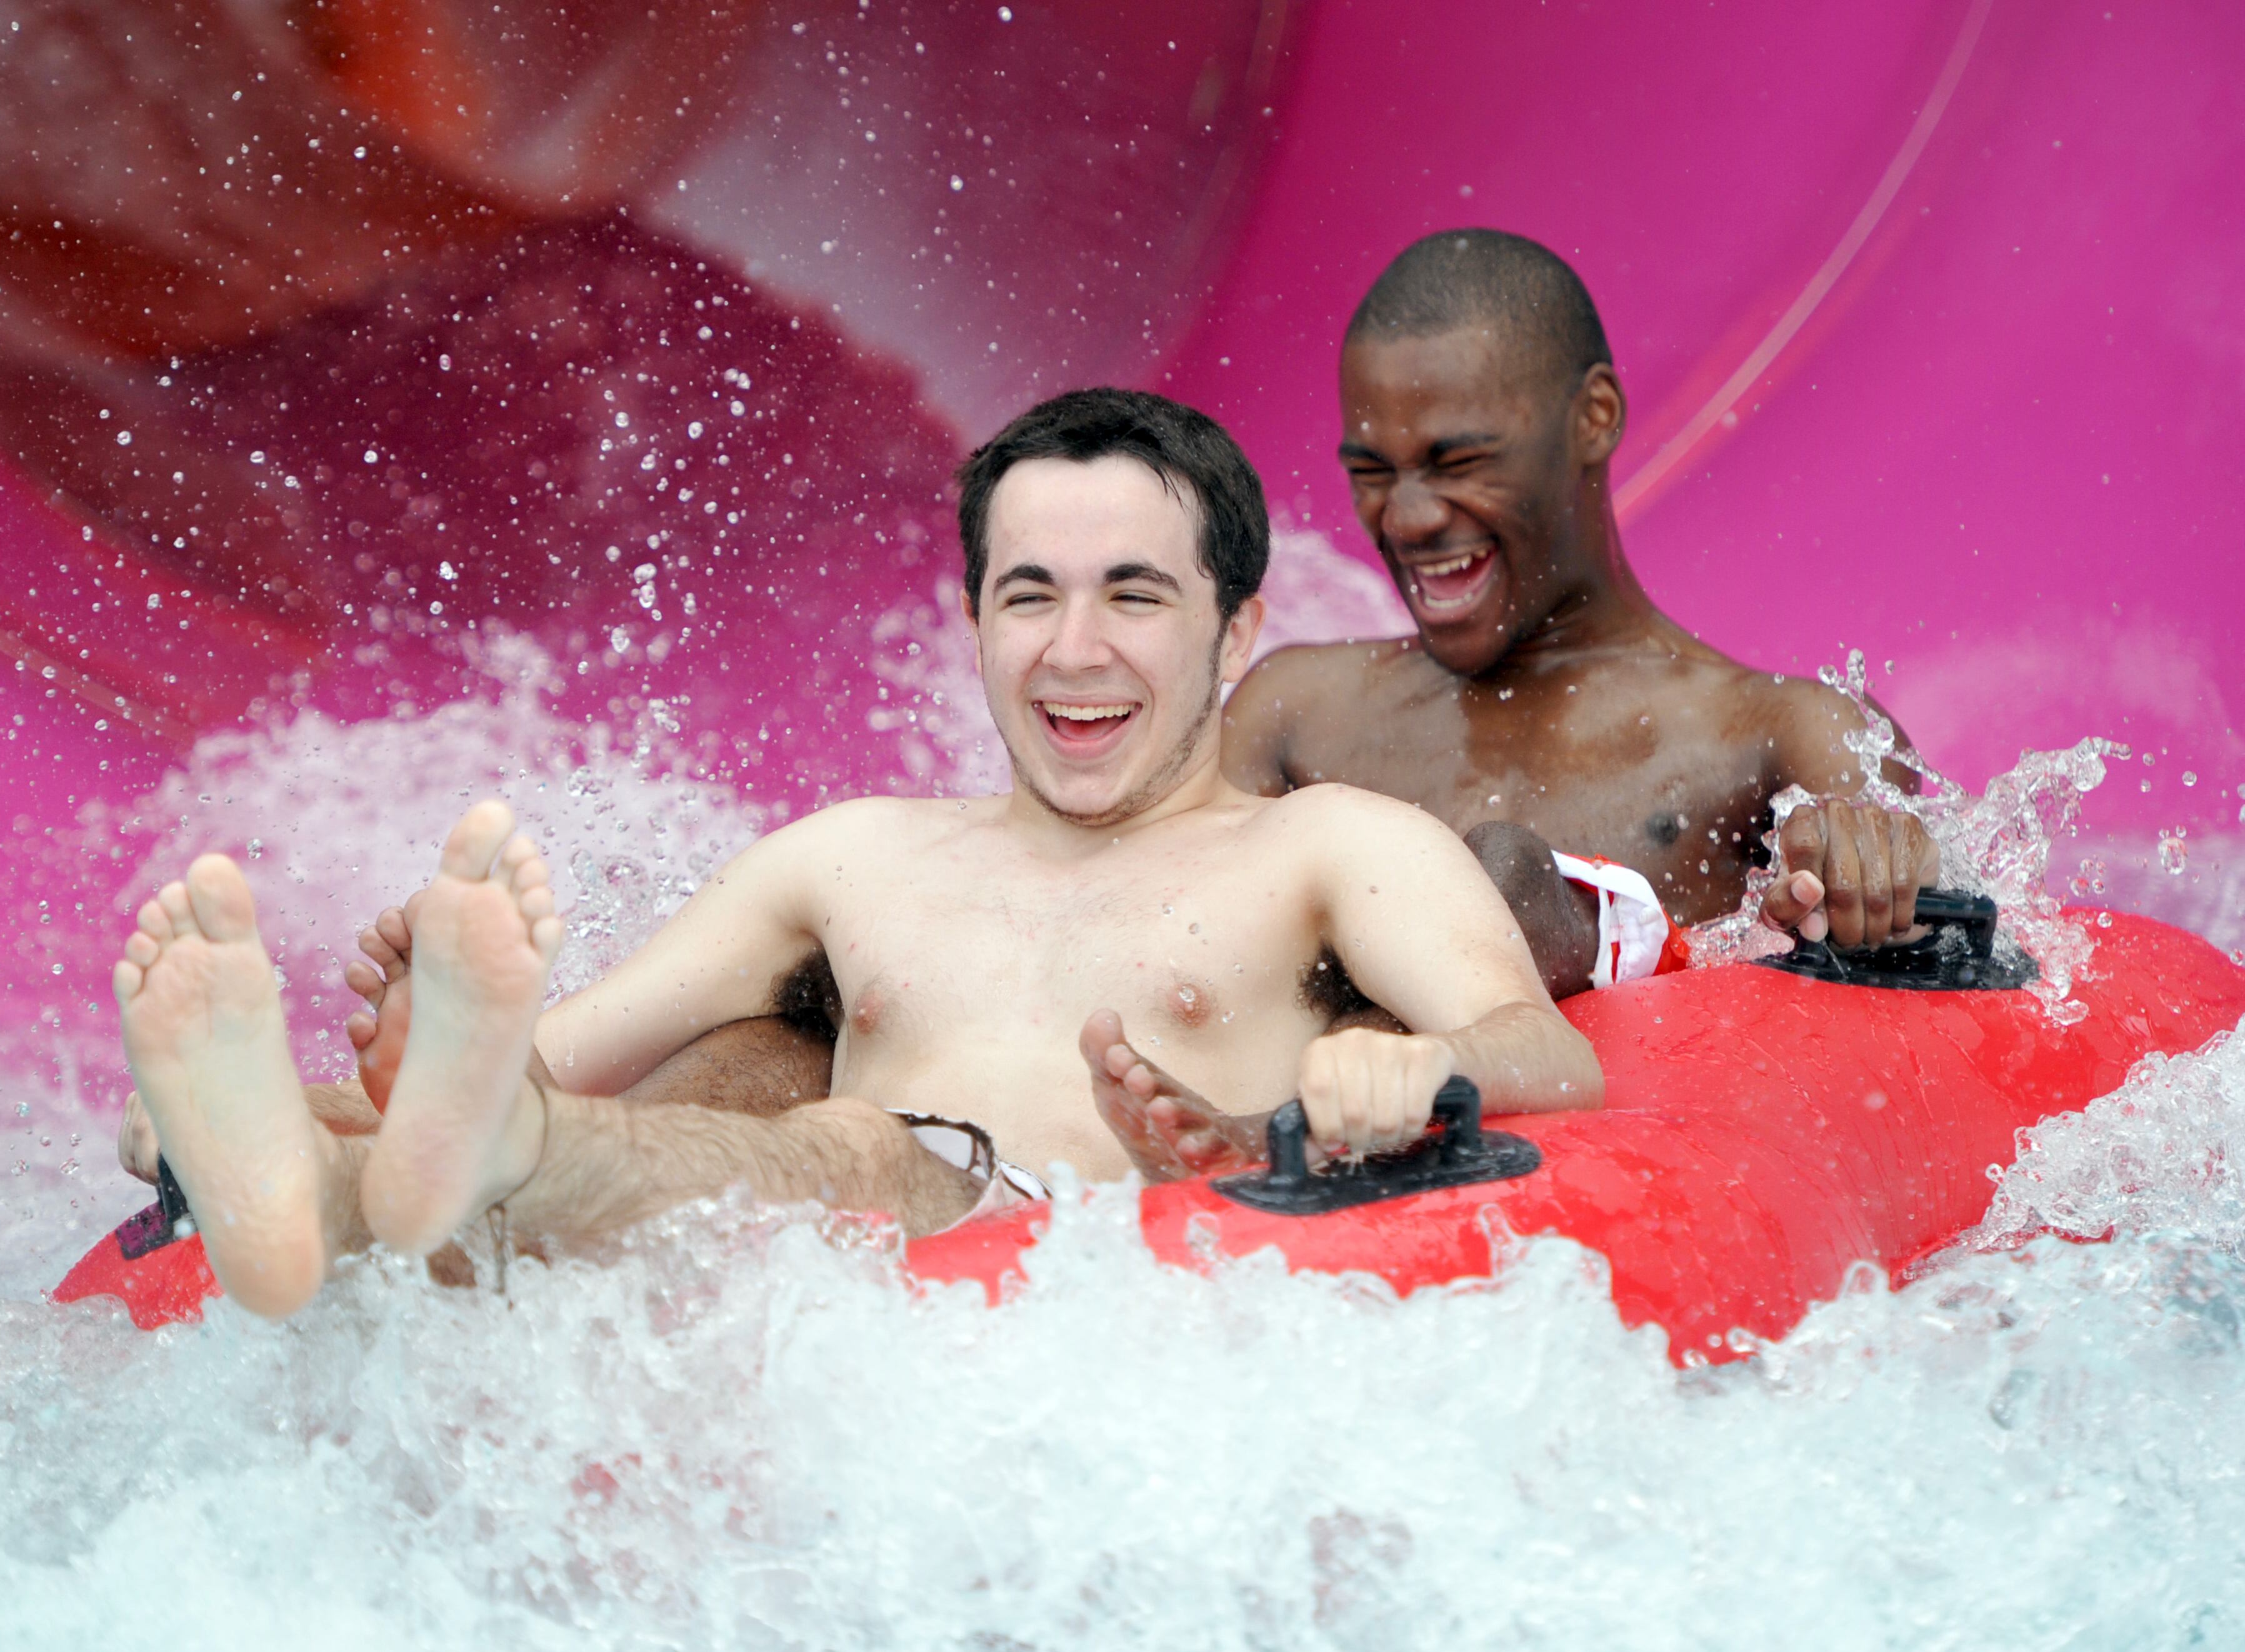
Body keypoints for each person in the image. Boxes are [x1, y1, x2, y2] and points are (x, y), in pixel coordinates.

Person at [110, 389, 1603, 1318]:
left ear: (1237, 630)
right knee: (563, 1139)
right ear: (973, 623)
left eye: (1135, 596)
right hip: (822, 1323)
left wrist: (1417, 1067)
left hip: (1073, 1293)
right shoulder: (853, 858)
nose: (1074, 650)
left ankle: (447, 1176)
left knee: (867, 1145)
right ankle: (301, 1178)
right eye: (1029, 595)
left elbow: (1548, 1051)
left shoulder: (1325, 845)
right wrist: (327, 1088)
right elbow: (554, 1058)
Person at [1222, 229, 1939, 1001]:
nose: (1406, 519)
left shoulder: (1779, 737)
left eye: (1459, 463)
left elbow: (1924, 987)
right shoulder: (1294, 714)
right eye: (1372, 473)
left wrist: (1864, 867)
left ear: (1594, 416)